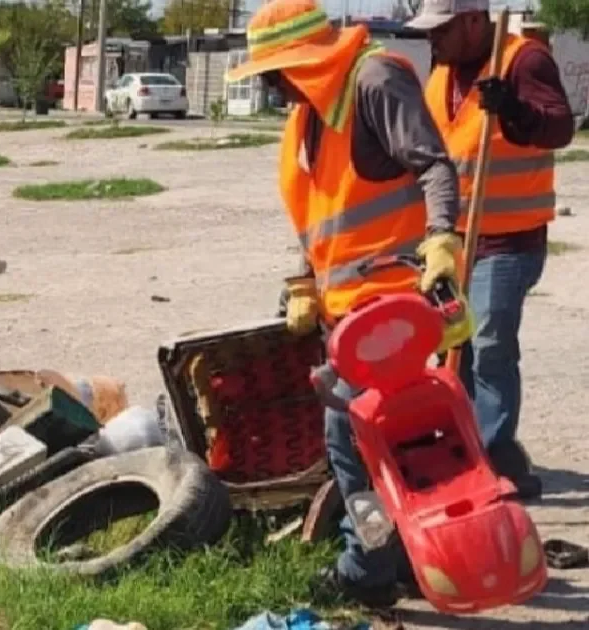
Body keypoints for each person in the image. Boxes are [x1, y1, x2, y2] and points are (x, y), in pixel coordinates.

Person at [225, 0, 462, 608]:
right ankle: (412, 554)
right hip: (348, 313)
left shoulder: (373, 80)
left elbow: (434, 166)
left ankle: (369, 567)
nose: (272, 88)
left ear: (303, 61)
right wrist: (302, 281)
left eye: (274, 73)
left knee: (351, 442)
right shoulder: (310, 115)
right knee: (377, 442)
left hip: (392, 306)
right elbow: (317, 220)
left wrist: (441, 238)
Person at [408, 0, 576, 499]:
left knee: (490, 344)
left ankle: (495, 451)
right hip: (452, 241)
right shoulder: (443, 71)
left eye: (441, 30)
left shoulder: (523, 61)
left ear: (474, 21)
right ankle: (468, 444)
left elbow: (560, 127)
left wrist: (514, 110)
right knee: (453, 345)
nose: (431, 41)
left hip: (508, 239)